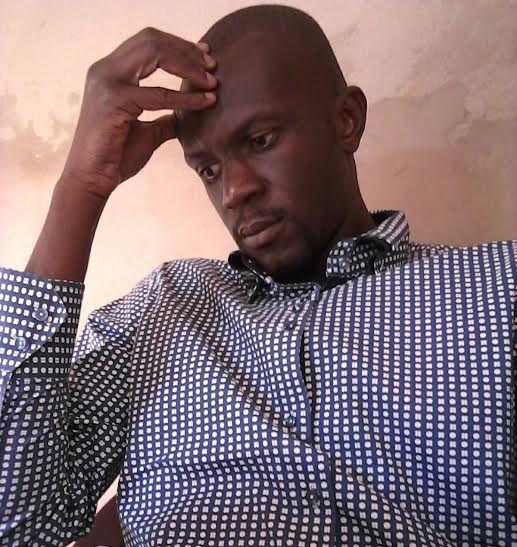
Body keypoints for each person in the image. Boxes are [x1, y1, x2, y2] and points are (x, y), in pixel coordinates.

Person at [0, 4, 515, 546]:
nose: (233, 191)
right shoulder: (165, 306)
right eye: (208, 169)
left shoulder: (496, 289)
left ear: (346, 121)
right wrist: (83, 185)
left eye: (260, 140)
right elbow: (19, 520)